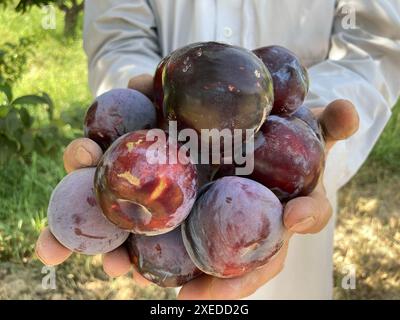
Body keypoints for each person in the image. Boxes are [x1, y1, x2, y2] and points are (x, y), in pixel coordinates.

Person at [35, 0, 400, 299]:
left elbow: (376, 41)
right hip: (177, 222)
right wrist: (142, 112)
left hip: (275, 193)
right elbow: (118, 35)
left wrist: (315, 133)